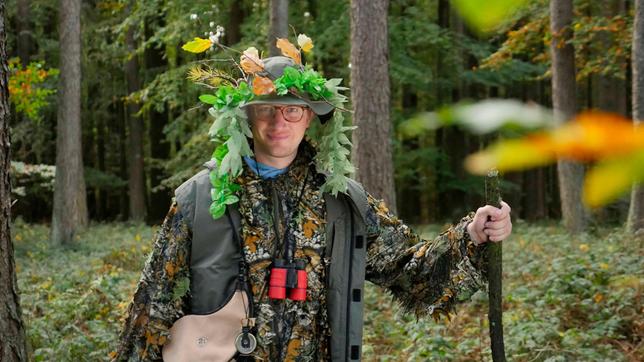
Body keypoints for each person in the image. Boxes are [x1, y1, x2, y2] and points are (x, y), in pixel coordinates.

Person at [112, 41, 512, 362]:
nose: (278, 122)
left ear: (309, 119)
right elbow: (153, 306)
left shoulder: (344, 201)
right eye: (266, 109)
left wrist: (473, 234)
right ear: (248, 117)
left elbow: (412, 273)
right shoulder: (200, 197)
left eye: (292, 110)